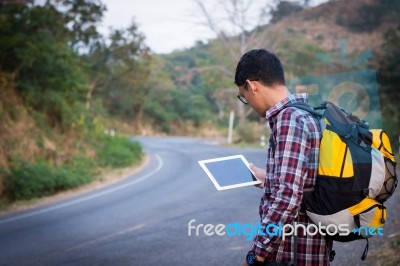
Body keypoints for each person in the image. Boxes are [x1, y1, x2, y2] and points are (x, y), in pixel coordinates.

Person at [234, 49, 330, 266]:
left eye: (244, 95)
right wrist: (267, 178)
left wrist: (257, 255)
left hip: (293, 250)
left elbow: (287, 197)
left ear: (252, 85)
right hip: (312, 246)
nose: (247, 101)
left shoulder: (289, 119)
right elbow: (305, 181)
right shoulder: (307, 113)